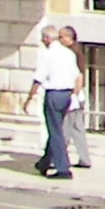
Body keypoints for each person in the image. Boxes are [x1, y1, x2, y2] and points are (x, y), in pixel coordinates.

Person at [21, 24, 80, 180]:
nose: (42, 42)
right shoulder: (68, 53)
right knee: (56, 128)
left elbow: (38, 77)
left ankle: (63, 168)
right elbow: (76, 76)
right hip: (66, 94)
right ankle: (45, 162)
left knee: (55, 132)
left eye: (43, 39)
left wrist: (29, 98)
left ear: (47, 39)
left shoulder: (49, 55)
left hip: (54, 94)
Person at [55, 26, 91, 172]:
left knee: (65, 129)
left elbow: (79, 76)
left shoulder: (72, 53)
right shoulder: (75, 51)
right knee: (77, 128)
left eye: (61, 37)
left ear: (69, 38)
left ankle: (57, 158)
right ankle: (84, 158)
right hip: (77, 95)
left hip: (74, 95)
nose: (59, 40)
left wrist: (73, 95)